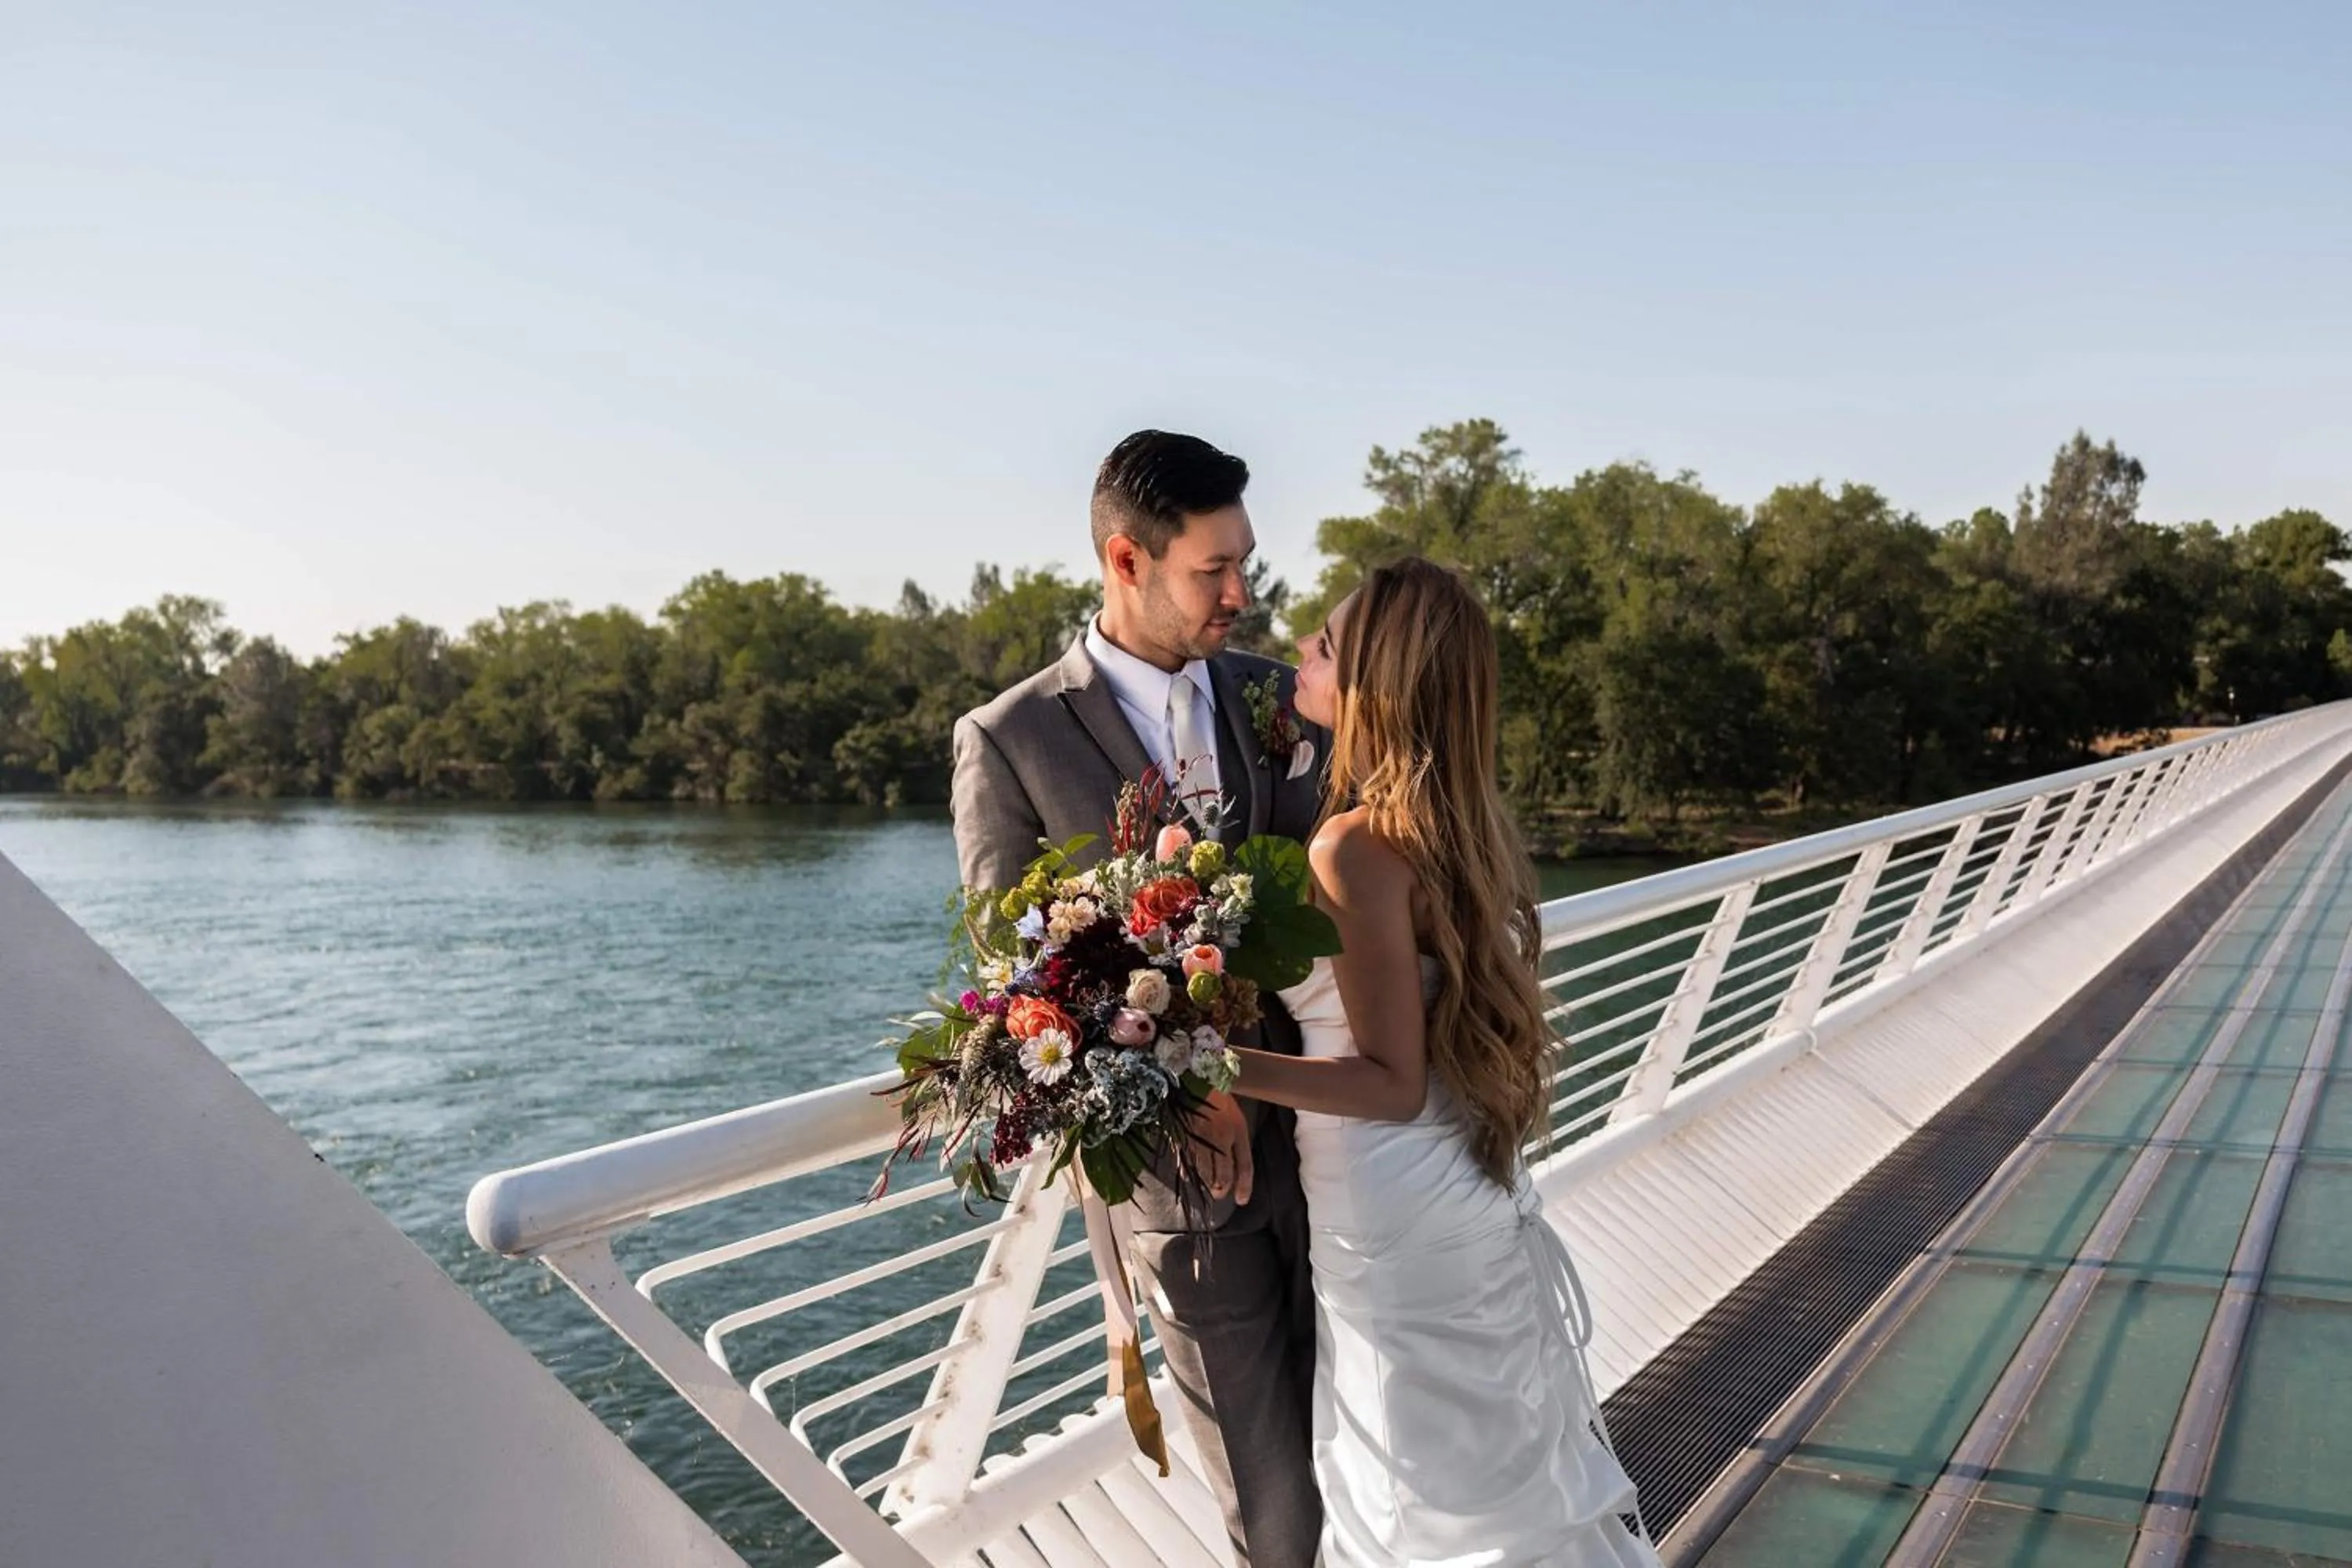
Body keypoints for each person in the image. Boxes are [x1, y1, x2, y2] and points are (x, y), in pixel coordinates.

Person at [1226, 557, 1661, 1567]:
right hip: (1460, 1181)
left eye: (1327, 644)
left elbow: (1390, 1081)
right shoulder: (1464, 832)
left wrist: (1212, 1063)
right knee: (1479, 1460)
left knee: (1416, 1489)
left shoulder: (1354, 851)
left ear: (1378, 683)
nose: (1301, 648)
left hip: (1392, 1208)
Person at [951, 430, 1330, 1567]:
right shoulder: (1009, 740)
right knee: (1277, 1510)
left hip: (1349, 1151)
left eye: (1245, 562)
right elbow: (1015, 990)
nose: (1242, 593)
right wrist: (1182, 1090)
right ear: (1127, 562)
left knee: (1375, 1457)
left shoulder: (1283, 698)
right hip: (1184, 1197)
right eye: (1213, 570)